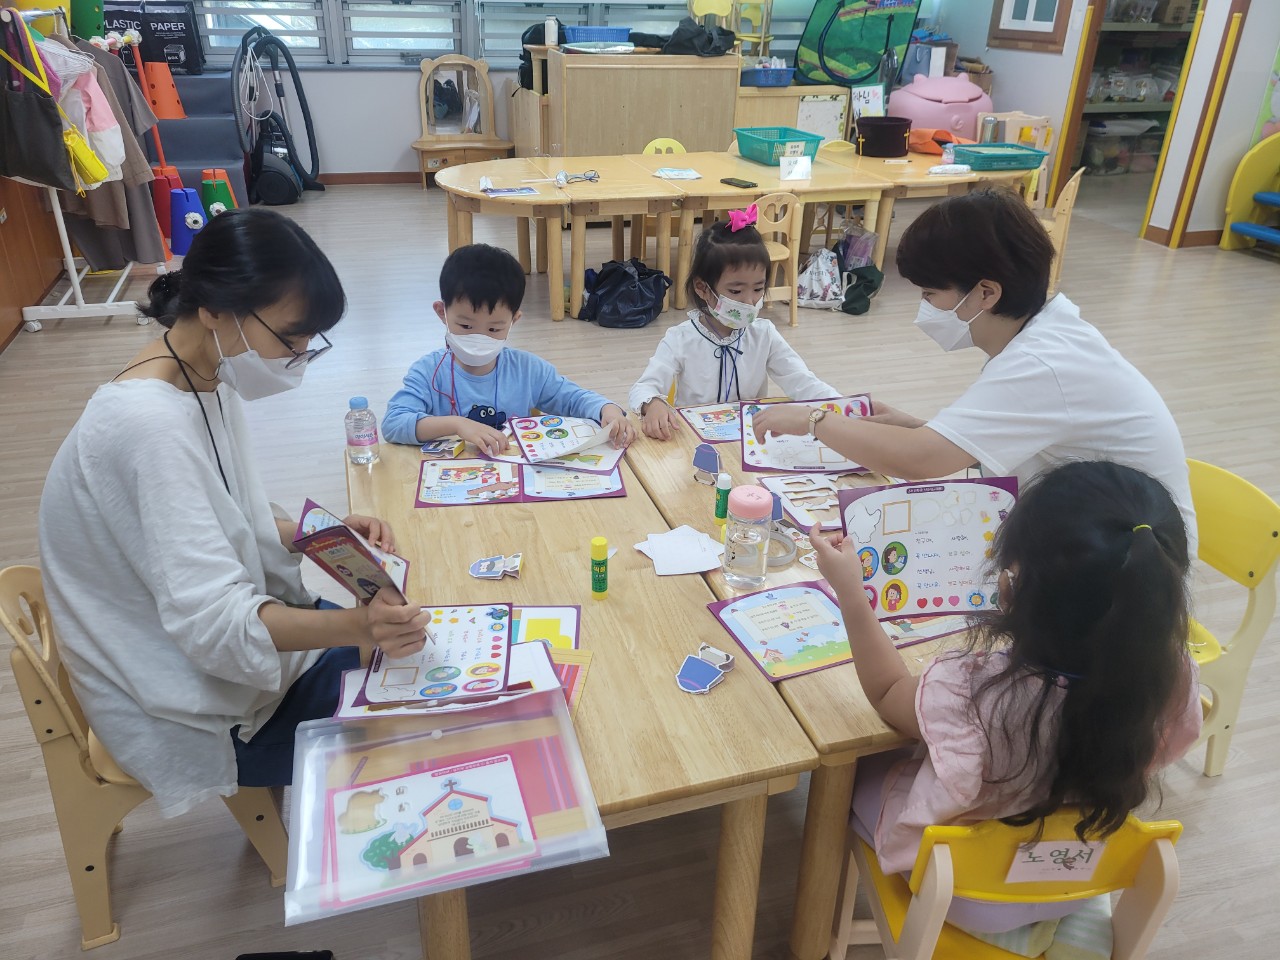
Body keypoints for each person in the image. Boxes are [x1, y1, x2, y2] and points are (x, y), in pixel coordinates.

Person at [38, 209, 432, 818]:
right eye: (291, 337)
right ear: (215, 310)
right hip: (195, 708)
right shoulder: (149, 426)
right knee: (429, 717)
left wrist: (313, 535)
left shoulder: (200, 375)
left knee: (421, 654)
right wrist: (359, 629)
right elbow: (215, 624)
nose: (300, 355)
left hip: (217, 661)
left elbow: (221, 521)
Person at [810, 460, 1202, 937]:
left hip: (968, 893)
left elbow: (887, 691)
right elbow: (1168, 746)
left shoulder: (975, 688)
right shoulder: (1175, 674)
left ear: (1014, 587)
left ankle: (812, 930)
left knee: (852, 764)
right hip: (1080, 876)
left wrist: (851, 592)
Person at [751, 188, 1197, 548]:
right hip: (1093, 525)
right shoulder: (1044, 336)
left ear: (986, 293)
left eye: (930, 294)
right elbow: (1000, 439)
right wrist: (920, 427)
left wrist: (815, 420)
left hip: (1128, 566)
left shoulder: (1042, 363)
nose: (925, 308)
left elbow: (921, 460)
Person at [383, 243, 635, 454]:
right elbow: (393, 423)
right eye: (466, 326)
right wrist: (457, 425)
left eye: (494, 329)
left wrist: (607, 409)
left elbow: (574, 398)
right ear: (442, 313)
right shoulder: (428, 372)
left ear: (514, 320)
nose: (479, 338)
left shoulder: (527, 370)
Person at [629, 209, 839, 441]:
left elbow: (802, 381)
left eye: (758, 289)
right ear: (702, 288)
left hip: (751, 439)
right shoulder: (680, 338)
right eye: (736, 291)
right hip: (695, 439)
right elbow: (643, 388)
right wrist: (653, 404)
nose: (749, 301)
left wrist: (841, 408)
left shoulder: (764, 335)